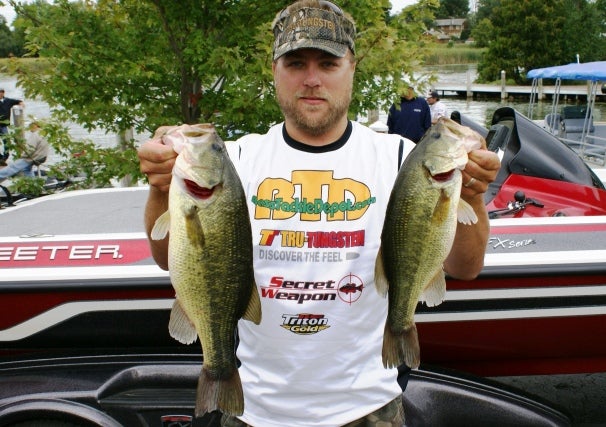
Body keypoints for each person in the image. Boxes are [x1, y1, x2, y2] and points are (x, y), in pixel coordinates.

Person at [137, 1, 500, 426]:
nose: (311, 80)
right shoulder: (232, 162)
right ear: (274, 71)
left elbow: (465, 266)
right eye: (295, 63)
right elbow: (169, 259)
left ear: (352, 69)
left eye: (328, 63)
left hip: (369, 407)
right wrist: (162, 187)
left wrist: (472, 194)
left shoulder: (406, 160)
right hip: (253, 409)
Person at [0, 88, 25, 165]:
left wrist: (21, 103)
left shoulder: (8, 101)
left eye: (1, 92)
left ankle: (5, 157)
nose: (0, 94)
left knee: (7, 142)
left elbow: (18, 101)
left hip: (4, 125)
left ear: (3, 93)